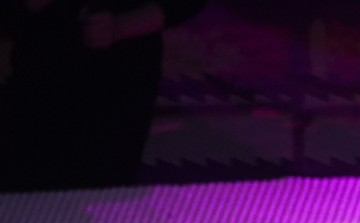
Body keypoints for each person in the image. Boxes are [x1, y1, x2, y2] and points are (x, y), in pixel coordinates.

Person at [0, 0, 206, 191]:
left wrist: (121, 27)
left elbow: (184, 3)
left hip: (120, 84)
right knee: (27, 183)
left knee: (104, 189)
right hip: (40, 80)